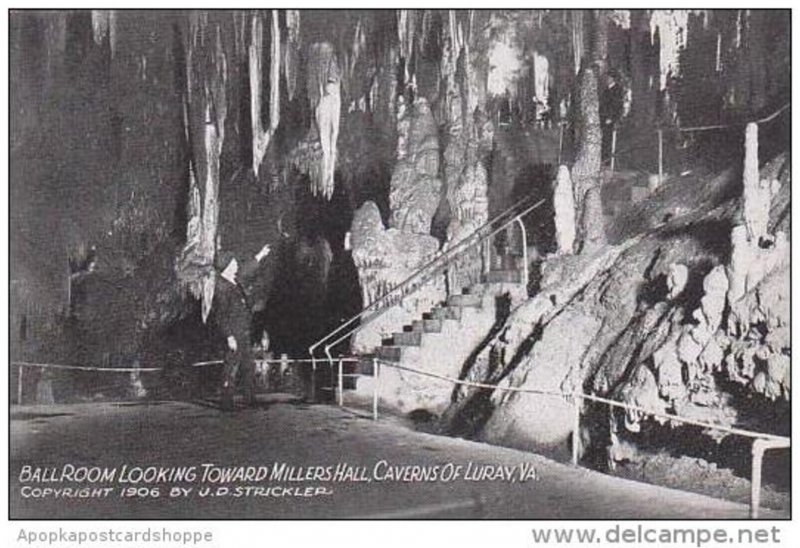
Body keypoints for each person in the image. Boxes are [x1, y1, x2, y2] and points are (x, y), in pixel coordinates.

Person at [212, 241, 272, 411]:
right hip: (234, 333)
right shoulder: (222, 287)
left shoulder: (234, 281)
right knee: (231, 366)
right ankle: (226, 400)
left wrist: (260, 255)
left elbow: (247, 270)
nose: (237, 264)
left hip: (243, 331)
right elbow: (221, 315)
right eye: (234, 263)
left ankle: (249, 398)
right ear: (227, 266)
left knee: (248, 365)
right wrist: (229, 336)